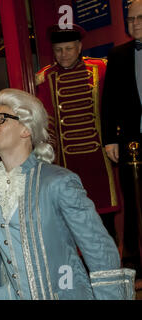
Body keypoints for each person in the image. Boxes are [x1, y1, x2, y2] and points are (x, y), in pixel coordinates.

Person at [0, 88, 135, 300]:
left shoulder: (58, 181)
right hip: (14, 293)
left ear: (26, 130)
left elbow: (99, 250)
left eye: (1, 119)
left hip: (59, 293)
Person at [35, 24, 119, 240]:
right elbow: (46, 121)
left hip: (100, 159)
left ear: (80, 47)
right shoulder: (45, 77)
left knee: (105, 218)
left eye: (69, 49)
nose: (63, 55)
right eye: (58, 50)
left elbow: (112, 110)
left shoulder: (101, 68)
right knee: (72, 218)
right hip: (66, 162)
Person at [101, 0, 142, 289]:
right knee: (134, 204)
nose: (134, 23)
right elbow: (109, 102)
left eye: (140, 17)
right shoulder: (117, 55)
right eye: (130, 19)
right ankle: (133, 262)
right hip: (131, 144)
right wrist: (109, 139)